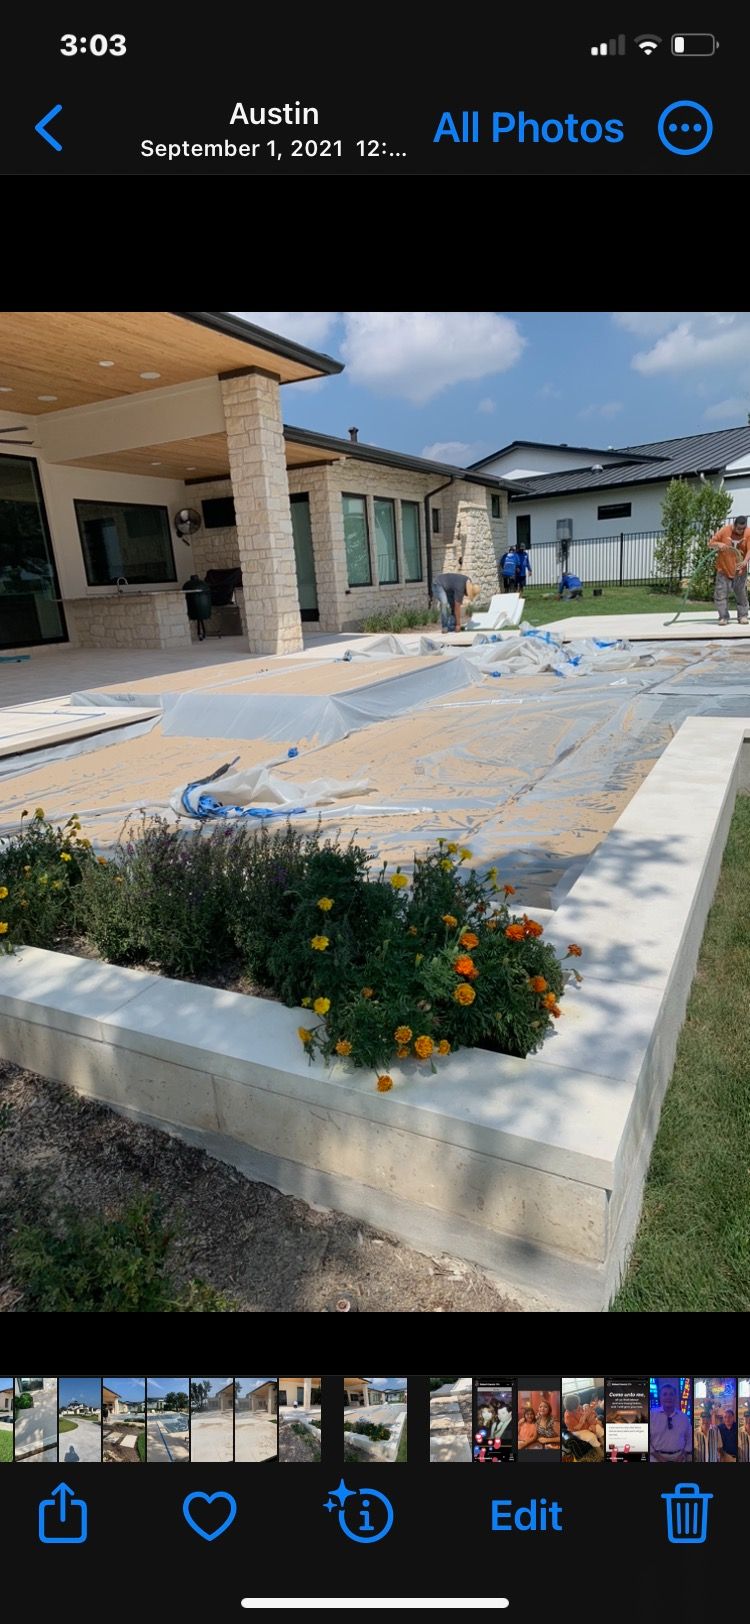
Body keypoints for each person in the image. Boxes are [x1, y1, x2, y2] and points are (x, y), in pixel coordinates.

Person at [707, 514, 750, 625]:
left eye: (743, 528)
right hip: (724, 569)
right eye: (739, 528)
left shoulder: (748, 532)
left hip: (740, 570)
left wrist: (745, 561)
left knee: (741, 593)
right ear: (734, 526)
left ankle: (743, 616)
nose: (741, 531)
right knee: (721, 594)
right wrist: (719, 544)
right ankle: (723, 617)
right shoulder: (724, 531)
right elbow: (710, 544)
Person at [650, 1381, 692, 1463]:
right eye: (665, 1394)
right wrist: (659, 1458)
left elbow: (689, 1439)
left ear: (675, 1397)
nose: (668, 1397)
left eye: (671, 1394)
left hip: (679, 1458)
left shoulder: (684, 1418)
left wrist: (682, 1456)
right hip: (655, 1457)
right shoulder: (651, 1415)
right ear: (660, 1397)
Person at [431, 561, 481, 631]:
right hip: (438, 584)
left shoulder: (467, 581)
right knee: (444, 603)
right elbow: (458, 607)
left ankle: (452, 625)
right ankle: (445, 627)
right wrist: (458, 624)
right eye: (468, 594)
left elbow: (457, 604)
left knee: (453, 605)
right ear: (467, 590)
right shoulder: (460, 587)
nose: (466, 595)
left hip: (448, 588)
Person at [182, 572, 212, 641]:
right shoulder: (204, 585)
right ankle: (202, 633)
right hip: (202, 608)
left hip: (193, 609)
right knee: (200, 617)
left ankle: (200, 633)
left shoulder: (187, 585)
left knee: (198, 617)